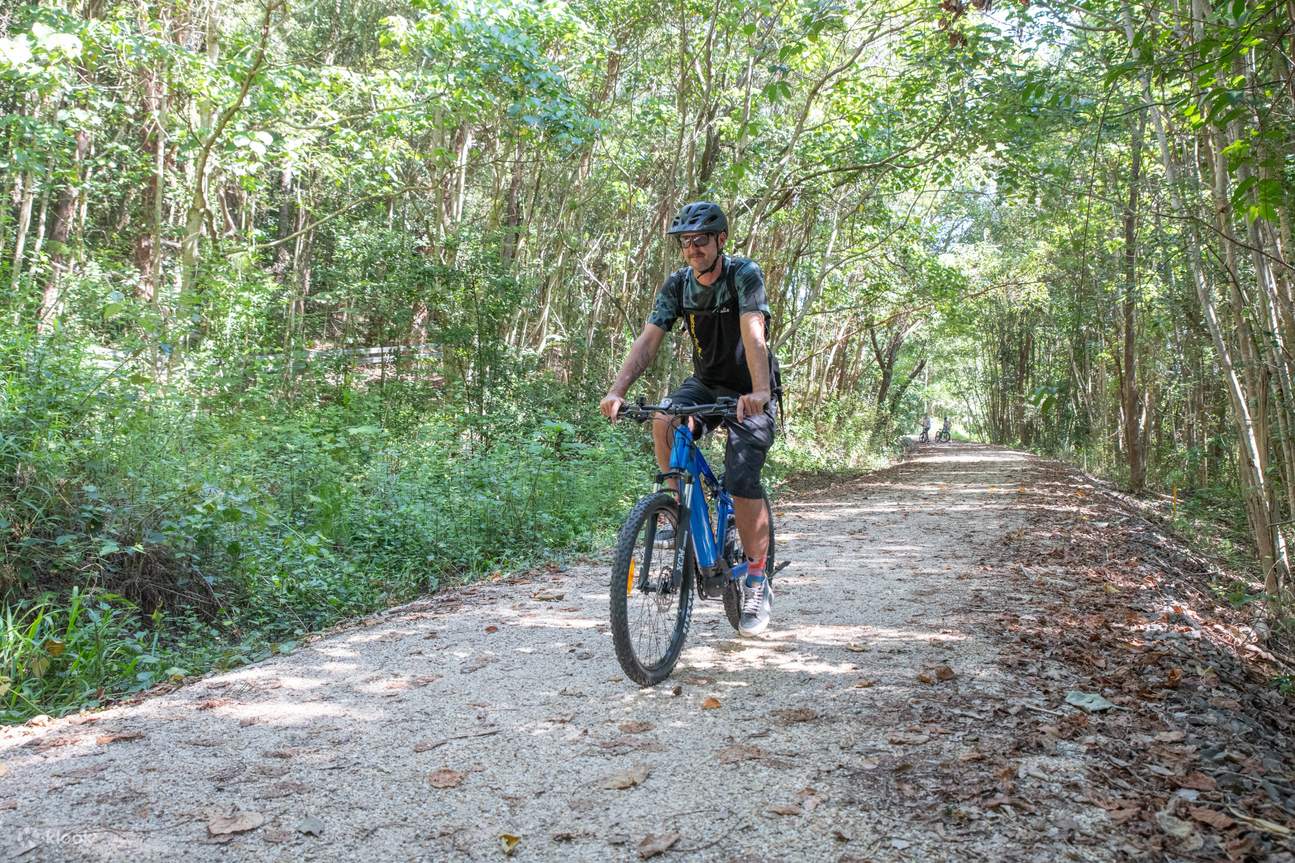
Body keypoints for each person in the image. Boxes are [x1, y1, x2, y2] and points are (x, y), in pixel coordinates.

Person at [600, 201, 777, 637]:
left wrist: (759, 392)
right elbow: (648, 340)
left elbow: (754, 334)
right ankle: (675, 507)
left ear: (721, 240)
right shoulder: (678, 285)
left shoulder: (743, 275)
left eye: (700, 240)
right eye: (685, 242)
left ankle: (756, 577)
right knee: (664, 418)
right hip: (705, 382)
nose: (692, 249)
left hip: (748, 388)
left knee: (741, 478)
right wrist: (617, 390)